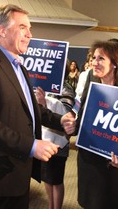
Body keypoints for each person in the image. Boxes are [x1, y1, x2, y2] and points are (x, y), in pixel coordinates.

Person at [0, 4, 76, 209]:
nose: (29, 34)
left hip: (18, 171)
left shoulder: (20, 68)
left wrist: (58, 120)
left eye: (30, 28)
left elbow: (31, 109)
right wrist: (32, 146)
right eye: (23, 27)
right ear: (2, 30)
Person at [75, 40, 118, 209]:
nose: (94, 62)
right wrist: (74, 126)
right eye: (94, 57)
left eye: (101, 58)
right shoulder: (91, 83)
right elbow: (82, 117)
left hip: (113, 165)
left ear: (115, 63)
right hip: (88, 160)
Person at [35, 63, 75, 209]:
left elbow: (66, 116)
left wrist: (44, 104)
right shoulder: (42, 86)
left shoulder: (66, 89)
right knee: (46, 176)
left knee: (56, 179)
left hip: (59, 141)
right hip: (44, 139)